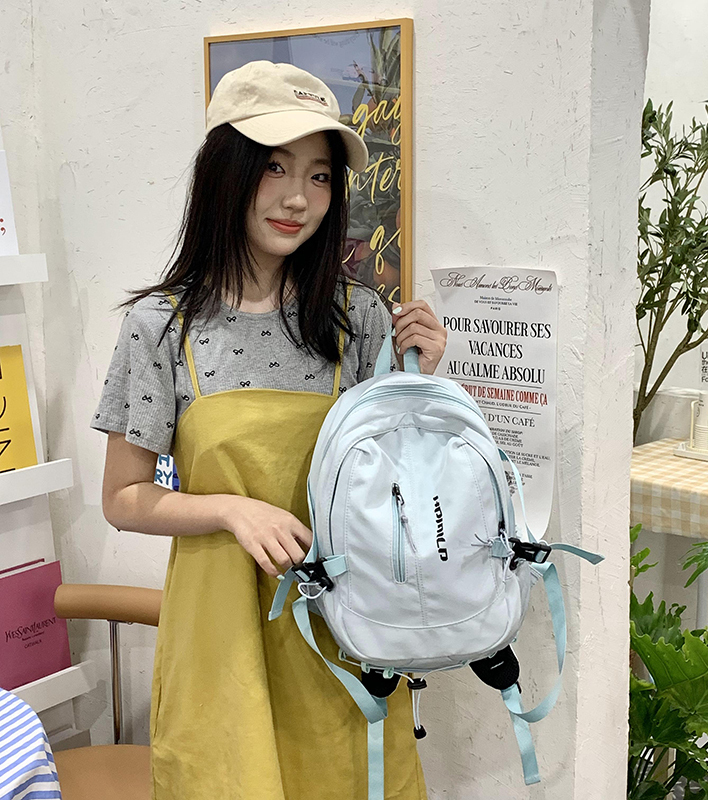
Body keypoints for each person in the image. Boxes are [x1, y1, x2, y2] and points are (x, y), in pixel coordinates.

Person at [90, 60, 446, 799]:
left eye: (320, 177)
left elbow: (398, 487)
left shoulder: (358, 317)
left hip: (343, 639)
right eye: (275, 167)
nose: (297, 198)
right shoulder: (161, 326)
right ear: (225, 172)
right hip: (221, 642)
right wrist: (231, 509)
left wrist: (418, 383)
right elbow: (123, 498)